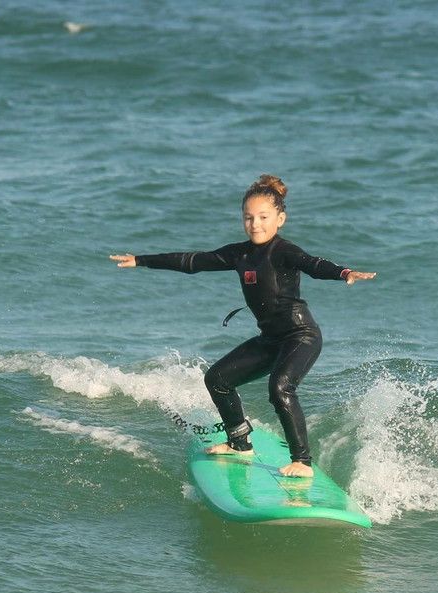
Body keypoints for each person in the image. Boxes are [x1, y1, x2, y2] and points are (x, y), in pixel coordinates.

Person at [110, 174, 376, 478]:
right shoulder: (240, 254)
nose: (255, 224)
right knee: (218, 378)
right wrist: (142, 260)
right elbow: (193, 261)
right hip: (270, 339)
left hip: (300, 336)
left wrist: (344, 273)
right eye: (248, 218)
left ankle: (302, 462)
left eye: (263, 217)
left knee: (280, 388)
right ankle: (239, 443)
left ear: (280, 218)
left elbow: (313, 264)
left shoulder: (283, 250)